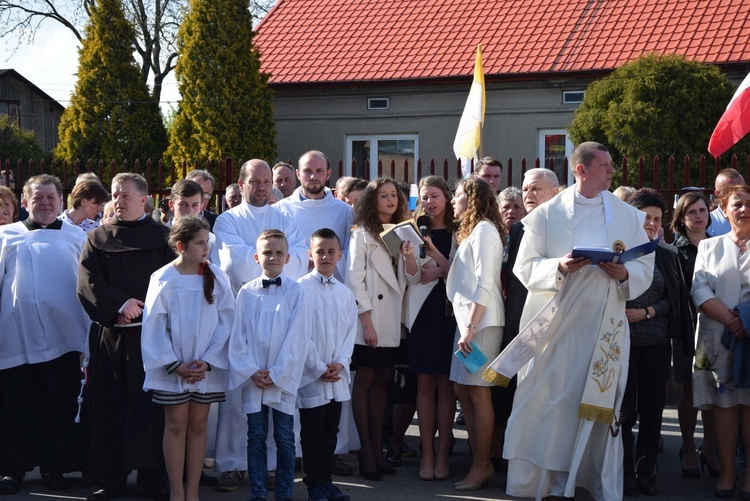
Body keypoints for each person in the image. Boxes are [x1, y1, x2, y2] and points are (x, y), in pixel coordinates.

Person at [485, 141, 654, 500]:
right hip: (556, 330)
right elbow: (524, 267)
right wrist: (558, 266)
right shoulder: (546, 215)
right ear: (581, 169)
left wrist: (623, 273)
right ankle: (540, 483)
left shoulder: (628, 215)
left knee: (594, 404)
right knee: (548, 403)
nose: (611, 170)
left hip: (603, 326)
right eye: (605, 165)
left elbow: (645, 267)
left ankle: (589, 480)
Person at [77, 172, 175, 501]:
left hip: (151, 338)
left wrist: (145, 309)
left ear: (144, 199)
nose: (117, 201)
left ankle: (154, 479)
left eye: (125, 195)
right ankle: (111, 479)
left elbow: (174, 282)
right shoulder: (98, 237)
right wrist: (120, 304)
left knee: (152, 410)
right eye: (115, 196)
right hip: (111, 337)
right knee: (110, 408)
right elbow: (87, 282)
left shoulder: (163, 237)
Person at [212, 159, 308, 491]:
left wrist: (275, 268)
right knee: (240, 394)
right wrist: (270, 270)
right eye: (256, 181)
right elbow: (233, 263)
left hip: (283, 312)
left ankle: (270, 467)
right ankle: (229, 464)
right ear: (241, 185)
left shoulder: (286, 215)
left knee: (278, 395)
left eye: (268, 181)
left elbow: (299, 255)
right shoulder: (227, 219)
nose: (264, 187)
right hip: (245, 308)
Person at [0, 175, 89, 495]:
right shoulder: (5, 235)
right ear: (24, 203)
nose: (45, 203)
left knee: (58, 404)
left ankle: (55, 468)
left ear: (62, 201)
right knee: (16, 407)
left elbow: (88, 285)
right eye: (38, 198)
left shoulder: (77, 236)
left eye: (51, 197)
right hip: (15, 338)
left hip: (63, 338)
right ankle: (13, 470)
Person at [141, 216, 235, 501]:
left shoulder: (218, 277)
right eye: (200, 243)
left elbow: (227, 320)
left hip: (205, 368)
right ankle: (177, 492)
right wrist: (175, 365)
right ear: (181, 246)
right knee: (176, 424)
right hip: (173, 369)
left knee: (198, 425)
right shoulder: (163, 278)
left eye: (208, 242)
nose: (206, 248)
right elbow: (154, 324)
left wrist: (207, 361)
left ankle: (192, 492)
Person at [228, 229, 310, 501]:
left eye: (278, 253)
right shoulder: (247, 293)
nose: (272, 257)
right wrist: (252, 371)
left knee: (285, 437)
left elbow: (298, 337)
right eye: (267, 252)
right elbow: (237, 337)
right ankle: (259, 493)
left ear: (287, 258)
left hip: (281, 377)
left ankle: (284, 493)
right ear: (256, 257)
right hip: (254, 377)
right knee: (256, 435)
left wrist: (277, 373)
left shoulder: (297, 292)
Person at [345, 177, 419, 481]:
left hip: (392, 322)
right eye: (383, 196)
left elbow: (413, 279)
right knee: (365, 382)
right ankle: (367, 452)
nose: (390, 200)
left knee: (382, 386)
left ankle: (376, 450)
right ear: (371, 201)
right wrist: (367, 323)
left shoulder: (405, 231)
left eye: (394, 195)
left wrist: (409, 255)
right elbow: (354, 280)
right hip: (370, 320)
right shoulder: (361, 234)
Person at [620, 188, 692, 497]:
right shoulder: (617, 252)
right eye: (646, 217)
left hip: (656, 344)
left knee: (652, 410)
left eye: (657, 219)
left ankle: (646, 471)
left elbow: (674, 300)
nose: (651, 224)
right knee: (622, 412)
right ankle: (622, 473)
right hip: (620, 344)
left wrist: (647, 312)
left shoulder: (667, 253)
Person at [492, 168, 559, 468]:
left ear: (556, 192)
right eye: (525, 189)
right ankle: (509, 458)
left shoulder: (563, 226)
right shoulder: (519, 229)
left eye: (536, 189)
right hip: (518, 321)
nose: (528, 194)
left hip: (554, 324)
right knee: (510, 393)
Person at [446, 176, 505, 491]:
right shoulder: (474, 230)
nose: (453, 201)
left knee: (478, 392)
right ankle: (478, 461)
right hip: (468, 323)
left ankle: (483, 466)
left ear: (471, 198)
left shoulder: (484, 231)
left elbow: (484, 282)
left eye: (456, 196)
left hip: (479, 325)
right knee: (462, 390)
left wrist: (470, 328)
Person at [692, 184, 750, 498]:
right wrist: (732, 320)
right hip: (719, 339)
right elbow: (700, 291)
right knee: (725, 406)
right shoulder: (709, 247)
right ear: (724, 211)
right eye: (737, 204)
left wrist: (746, 323)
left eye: (749, 203)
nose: (744, 209)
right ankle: (727, 472)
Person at [401, 176, 457, 481]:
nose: (429, 202)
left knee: (447, 386)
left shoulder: (460, 229)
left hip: (450, 313)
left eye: (434, 196)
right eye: (424, 197)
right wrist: (410, 258)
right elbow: (411, 277)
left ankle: (444, 453)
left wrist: (441, 269)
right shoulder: (412, 228)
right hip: (422, 314)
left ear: (446, 198)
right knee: (424, 384)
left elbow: (463, 273)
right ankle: (427, 453)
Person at [296, 228, 357, 501]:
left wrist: (342, 363)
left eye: (331, 251)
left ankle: (327, 480)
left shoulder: (345, 293)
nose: (325, 256)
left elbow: (349, 333)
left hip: (337, 374)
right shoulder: (300, 289)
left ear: (340, 255)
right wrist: (319, 366)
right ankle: (314, 484)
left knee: (330, 431)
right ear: (310, 255)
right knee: (312, 432)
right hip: (313, 375)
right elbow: (300, 334)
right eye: (319, 251)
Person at [670, 191, 719, 479]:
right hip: (687, 329)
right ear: (682, 218)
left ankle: (710, 447)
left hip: (716, 327)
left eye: (702, 210)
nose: (699, 216)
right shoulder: (675, 251)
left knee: (714, 393)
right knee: (689, 392)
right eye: (692, 212)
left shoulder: (719, 246)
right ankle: (687, 447)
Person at [275, 150, 354, 280]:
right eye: (307, 171)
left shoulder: (345, 212)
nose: (313, 177)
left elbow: (352, 253)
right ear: (298, 174)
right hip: (293, 286)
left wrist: (325, 258)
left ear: (328, 174)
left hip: (333, 287)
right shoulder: (279, 210)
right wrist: (303, 259)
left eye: (319, 171)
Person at [707, 168, 745, 237]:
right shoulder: (708, 223)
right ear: (718, 194)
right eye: (731, 190)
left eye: (742, 189)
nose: (738, 193)